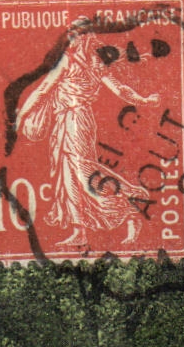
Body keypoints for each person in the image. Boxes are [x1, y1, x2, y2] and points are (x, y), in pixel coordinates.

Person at [15, 26, 160, 250]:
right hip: (76, 120)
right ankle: (84, 230)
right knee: (72, 174)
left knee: (78, 172)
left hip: (72, 120)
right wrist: (144, 100)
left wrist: (20, 117)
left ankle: (127, 200)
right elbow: (121, 89)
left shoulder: (70, 61)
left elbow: (43, 90)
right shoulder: (97, 63)